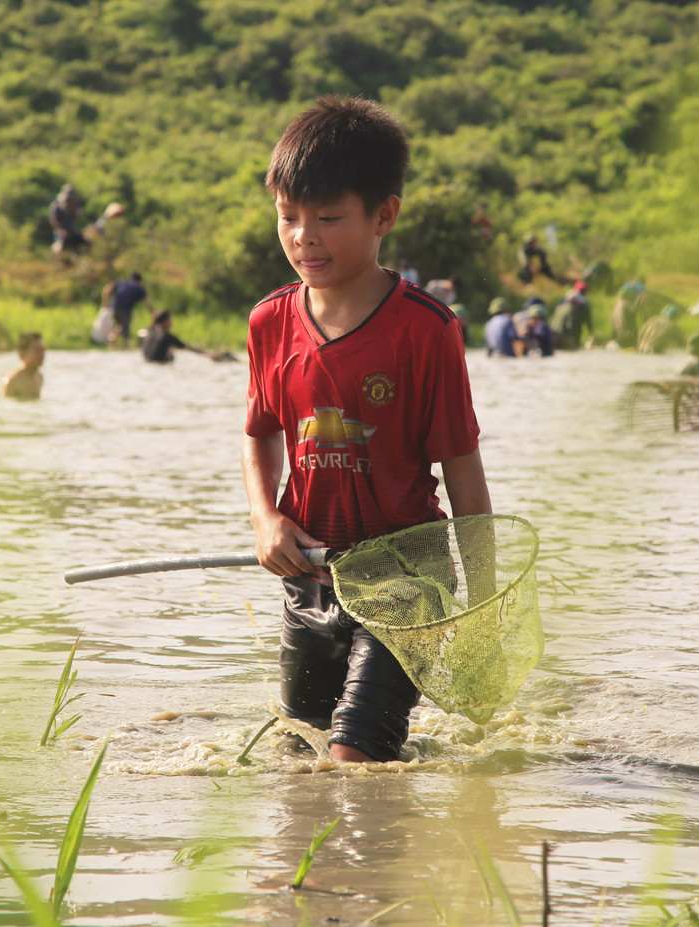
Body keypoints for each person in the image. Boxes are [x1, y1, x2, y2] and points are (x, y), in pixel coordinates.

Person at [244, 96, 491, 764]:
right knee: (297, 757)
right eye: (288, 217)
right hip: (311, 574)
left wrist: (485, 603)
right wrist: (266, 518)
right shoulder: (269, 321)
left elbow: (462, 472)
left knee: (354, 760)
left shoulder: (426, 330)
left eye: (327, 218)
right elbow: (260, 432)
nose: (304, 237)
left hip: (408, 576)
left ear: (384, 215)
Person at [141, 310, 217, 363]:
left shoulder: (148, 331)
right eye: (170, 320)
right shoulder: (166, 335)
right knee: (171, 355)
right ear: (165, 322)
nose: (171, 323)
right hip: (159, 362)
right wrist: (207, 353)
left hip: (146, 361)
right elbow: (187, 347)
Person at [109, 272, 154, 347]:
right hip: (125, 309)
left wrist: (104, 304)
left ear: (130, 278)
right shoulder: (139, 288)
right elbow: (147, 302)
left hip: (114, 307)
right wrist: (153, 312)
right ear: (139, 281)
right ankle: (125, 346)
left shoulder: (121, 283)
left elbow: (107, 289)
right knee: (125, 329)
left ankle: (112, 340)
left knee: (118, 325)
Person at [550, 279, 591, 350]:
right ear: (575, 301)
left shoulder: (559, 307)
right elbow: (570, 326)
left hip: (552, 337)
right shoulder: (572, 310)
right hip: (564, 338)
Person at [2, 331, 45, 399]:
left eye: (42, 350)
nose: (42, 355)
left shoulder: (39, 377)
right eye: (36, 350)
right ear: (22, 353)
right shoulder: (12, 381)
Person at [49, 185, 88, 257]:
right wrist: (60, 231)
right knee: (60, 246)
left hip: (71, 231)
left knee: (86, 242)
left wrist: (72, 208)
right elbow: (53, 221)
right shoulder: (56, 206)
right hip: (60, 233)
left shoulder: (73, 206)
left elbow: (78, 217)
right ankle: (56, 260)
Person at [611, 277, 646, 348]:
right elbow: (633, 316)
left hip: (616, 336)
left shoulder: (617, 305)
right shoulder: (627, 304)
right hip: (625, 336)